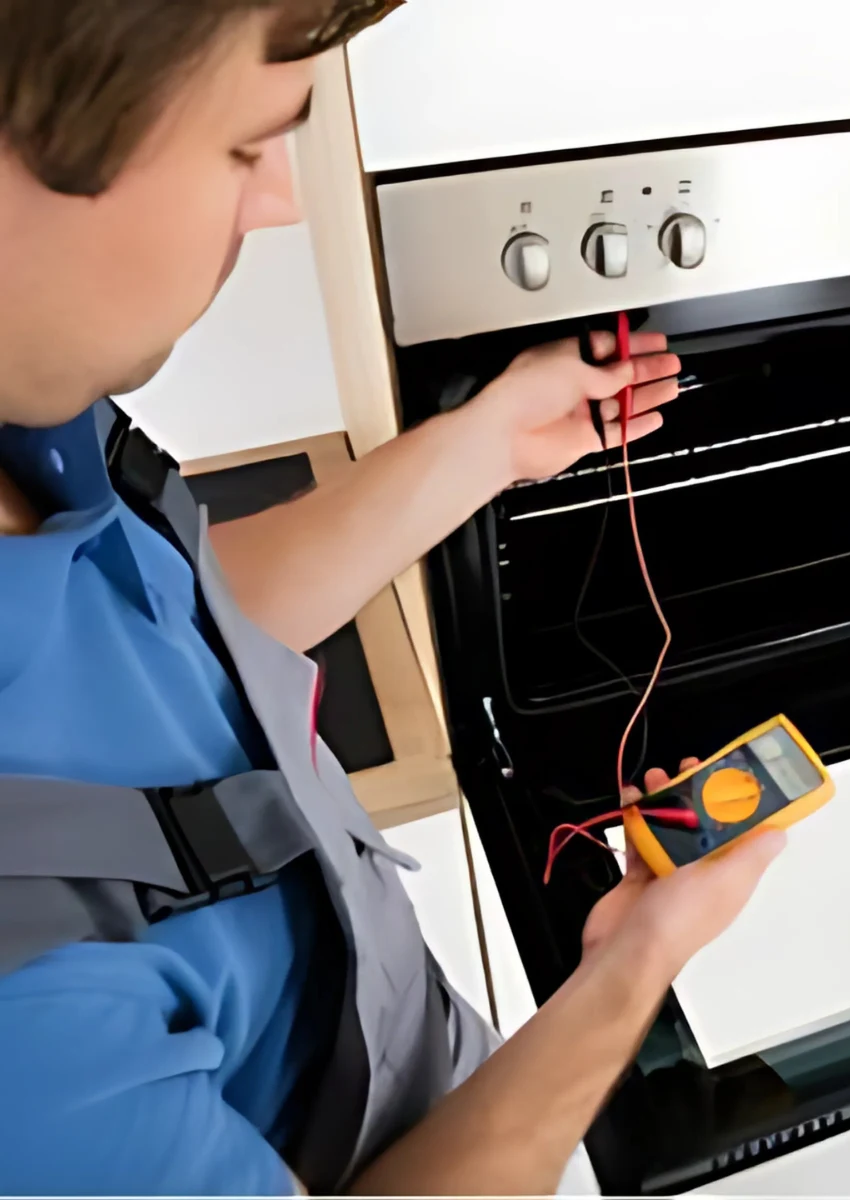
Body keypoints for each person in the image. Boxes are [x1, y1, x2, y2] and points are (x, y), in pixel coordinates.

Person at [0, 1, 787, 1194]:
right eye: (244, 144)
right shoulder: (27, 1059)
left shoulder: (32, 406)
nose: (285, 198)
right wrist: (630, 970)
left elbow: (168, 634)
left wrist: (482, 447)